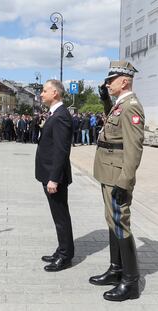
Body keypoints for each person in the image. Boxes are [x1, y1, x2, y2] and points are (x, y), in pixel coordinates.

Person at [90, 61, 144, 302]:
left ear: (124, 80)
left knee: (120, 223)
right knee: (112, 221)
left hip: (117, 176)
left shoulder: (131, 106)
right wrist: (104, 101)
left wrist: (125, 181)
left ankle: (130, 282)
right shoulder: (120, 105)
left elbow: (134, 149)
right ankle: (116, 270)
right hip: (108, 172)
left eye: (111, 80)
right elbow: (113, 128)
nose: (107, 83)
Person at [35, 79, 74, 272]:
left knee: (60, 216)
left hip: (54, 176)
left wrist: (54, 178)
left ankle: (66, 256)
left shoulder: (60, 116)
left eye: (44, 91)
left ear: (55, 94)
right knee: (57, 215)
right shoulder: (54, 113)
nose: (41, 94)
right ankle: (62, 249)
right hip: (49, 173)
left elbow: (61, 150)